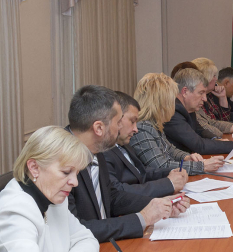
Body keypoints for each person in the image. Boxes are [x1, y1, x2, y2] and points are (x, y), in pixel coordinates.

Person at [0, 126, 140, 252]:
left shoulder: (52, 196)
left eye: (76, 173)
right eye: (66, 172)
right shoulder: (14, 209)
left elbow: (88, 239)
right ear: (34, 167)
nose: (75, 182)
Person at [65, 85, 189, 243]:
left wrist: (158, 205)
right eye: (118, 122)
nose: (119, 128)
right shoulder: (60, 162)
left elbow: (112, 197)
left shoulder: (95, 148)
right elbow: (76, 230)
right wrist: (142, 218)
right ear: (99, 128)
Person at [130, 73, 225, 174]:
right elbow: (161, 166)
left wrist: (187, 157)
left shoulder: (154, 123)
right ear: (161, 102)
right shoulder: (142, 128)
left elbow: (170, 150)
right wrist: (201, 166)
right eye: (172, 99)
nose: (174, 104)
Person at [164, 68, 233, 154]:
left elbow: (201, 131)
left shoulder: (187, 108)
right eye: (201, 93)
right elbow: (199, 145)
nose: (205, 98)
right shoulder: (173, 112)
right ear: (185, 91)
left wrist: (217, 140)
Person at [105, 91, 187, 198]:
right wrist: (169, 184)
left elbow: (141, 172)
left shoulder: (123, 143)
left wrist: (170, 172)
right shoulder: (104, 151)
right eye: (132, 121)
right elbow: (117, 193)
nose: (136, 129)